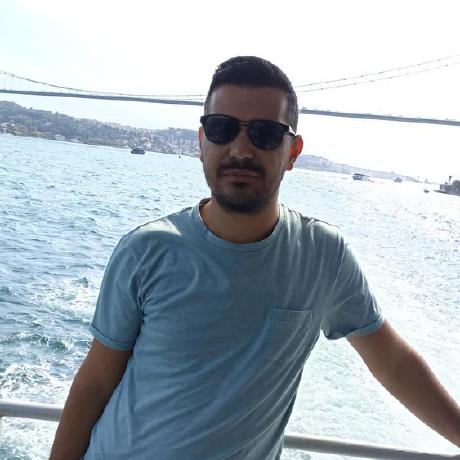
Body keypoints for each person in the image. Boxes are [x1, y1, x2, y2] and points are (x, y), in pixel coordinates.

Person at [50, 56, 460, 460]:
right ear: (201, 142)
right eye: (221, 128)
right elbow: (96, 381)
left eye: (264, 133)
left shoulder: (322, 255)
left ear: (293, 151)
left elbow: (392, 362)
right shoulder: (146, 250)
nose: (240, 149)